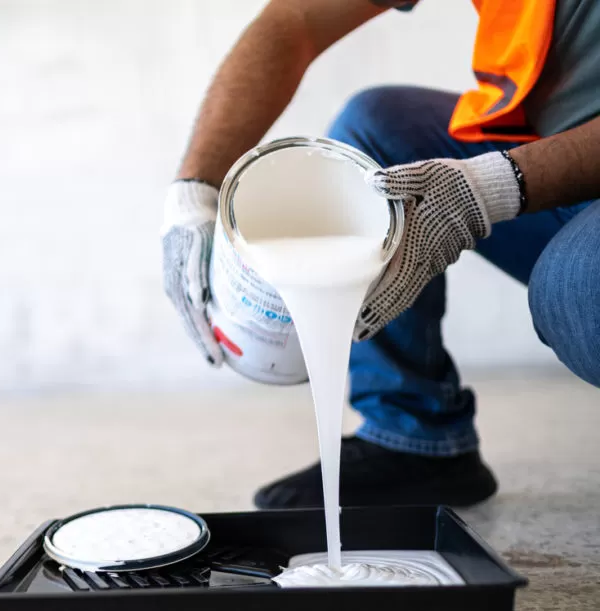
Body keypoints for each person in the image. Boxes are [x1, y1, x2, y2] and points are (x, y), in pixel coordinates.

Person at [161, 0, 600, 508]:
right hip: (564, 160)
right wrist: (193, 191)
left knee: (579, 289)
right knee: (376, 130)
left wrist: (490, 186)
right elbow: (296, 21)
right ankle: (415, 441)